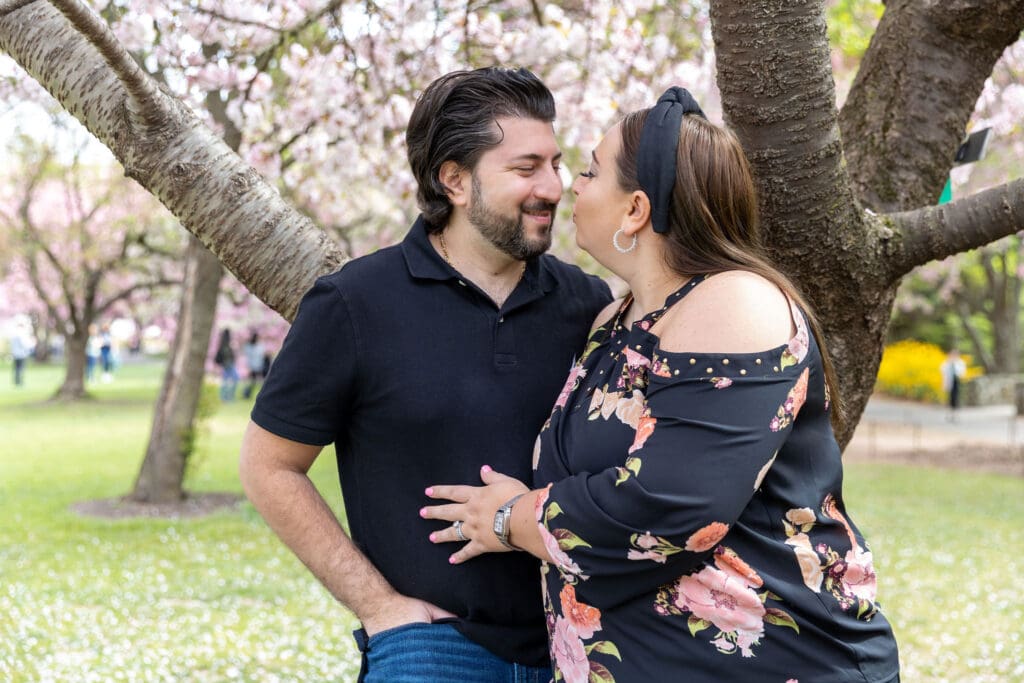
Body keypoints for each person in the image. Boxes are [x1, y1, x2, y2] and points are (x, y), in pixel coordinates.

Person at [424, 88, 901, 682]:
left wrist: (510, 519)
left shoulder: (735, 301)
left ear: (636, 210)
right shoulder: (610, 322)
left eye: (591, 171)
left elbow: (671, 507)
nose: (570, 185)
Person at [239, 67, 612, 683]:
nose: (553, 186)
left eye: (556, 162)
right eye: (526, 168)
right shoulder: (353, 303)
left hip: (581, 646)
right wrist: (379, 606)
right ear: (454, 180)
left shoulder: (587, 303)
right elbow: (268, 465)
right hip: (435, 647)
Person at [940, 347, 966, 421]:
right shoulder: (947, 362)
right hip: (948, 381)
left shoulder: (960, 362)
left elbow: (961, 373)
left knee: (955, 398)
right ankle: (949, 414)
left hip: (956, 382)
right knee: (949, 398)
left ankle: (955, 414)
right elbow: (943, 371)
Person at [213, 329, 239, 401]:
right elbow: (231, 356)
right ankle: (228, 397)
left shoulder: (222, 343)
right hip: (228, 365)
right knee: (233, 379)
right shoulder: (228, 344)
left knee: (225, 381)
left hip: (226, 365)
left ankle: (225, 397)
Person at [241, 332, 267, 400]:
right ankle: (247, 394)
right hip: (256, 366)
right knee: (255, 382)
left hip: (253, 366)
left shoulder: (249, 346)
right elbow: (262, 355)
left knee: (253, 382)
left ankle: (247, 394)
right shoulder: (259, 346)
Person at [9, 319, 32, 387]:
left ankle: (16, 381)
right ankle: (19, 382)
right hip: (21, 354)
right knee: (20, 368)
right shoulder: (21, 334)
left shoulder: (14, 334)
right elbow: (24, 344)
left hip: (15, 354)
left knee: (16, 368)